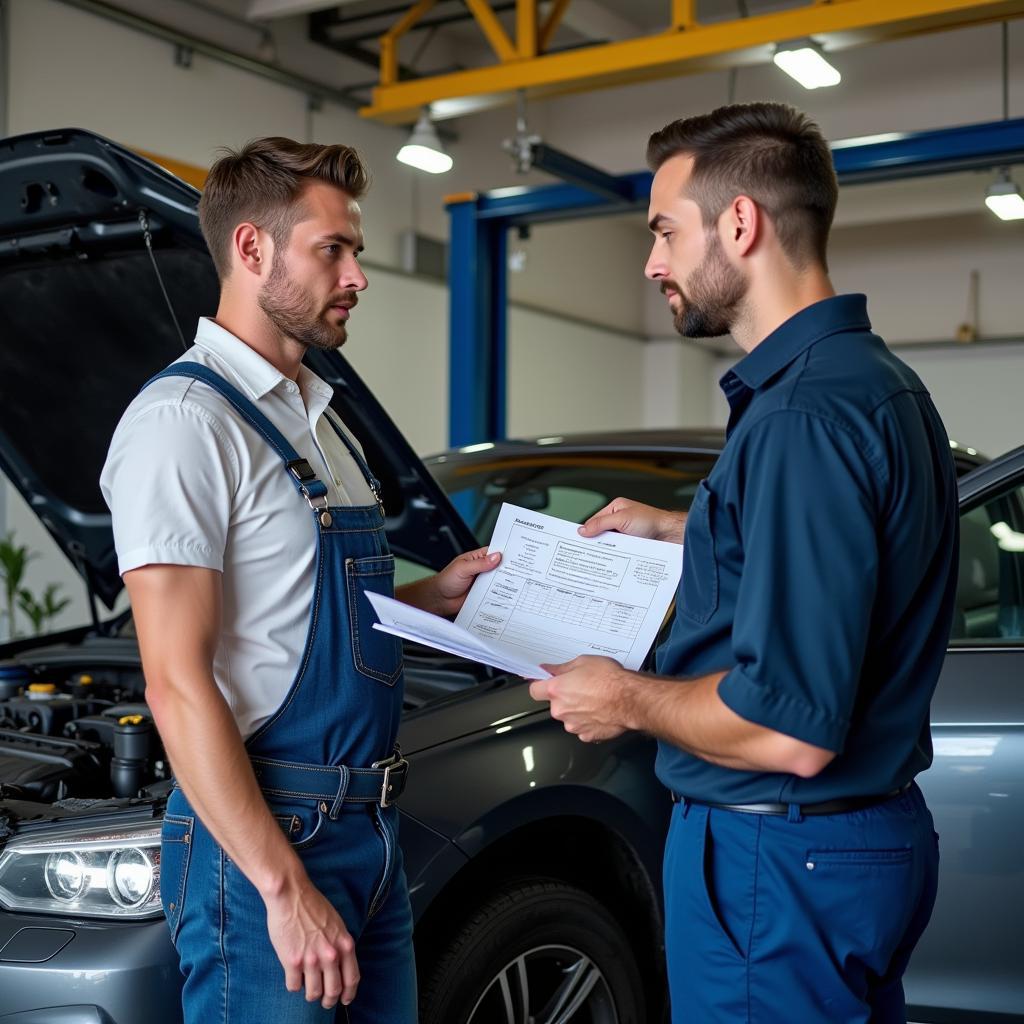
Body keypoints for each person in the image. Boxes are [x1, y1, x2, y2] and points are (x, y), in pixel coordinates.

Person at [528, 102, 959, 1023]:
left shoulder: (801, 418)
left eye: (663, 232)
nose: (652, 263)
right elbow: (845, 540)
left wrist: (624, 697)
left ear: (740, 224)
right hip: (853, 849)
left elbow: (789, 730)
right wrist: (688, 526)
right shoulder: (873, 384)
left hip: (779, 862)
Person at [100, 137, 499, 1023]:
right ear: (251, 250)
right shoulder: (183, 424)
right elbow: (175, 682)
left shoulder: (322, 420)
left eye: (354, 249)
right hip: (267, 837)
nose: (357, 274)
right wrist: (283, 889)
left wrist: (431, 600)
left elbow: (302, 614)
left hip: (371, 830)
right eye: (334, 250)